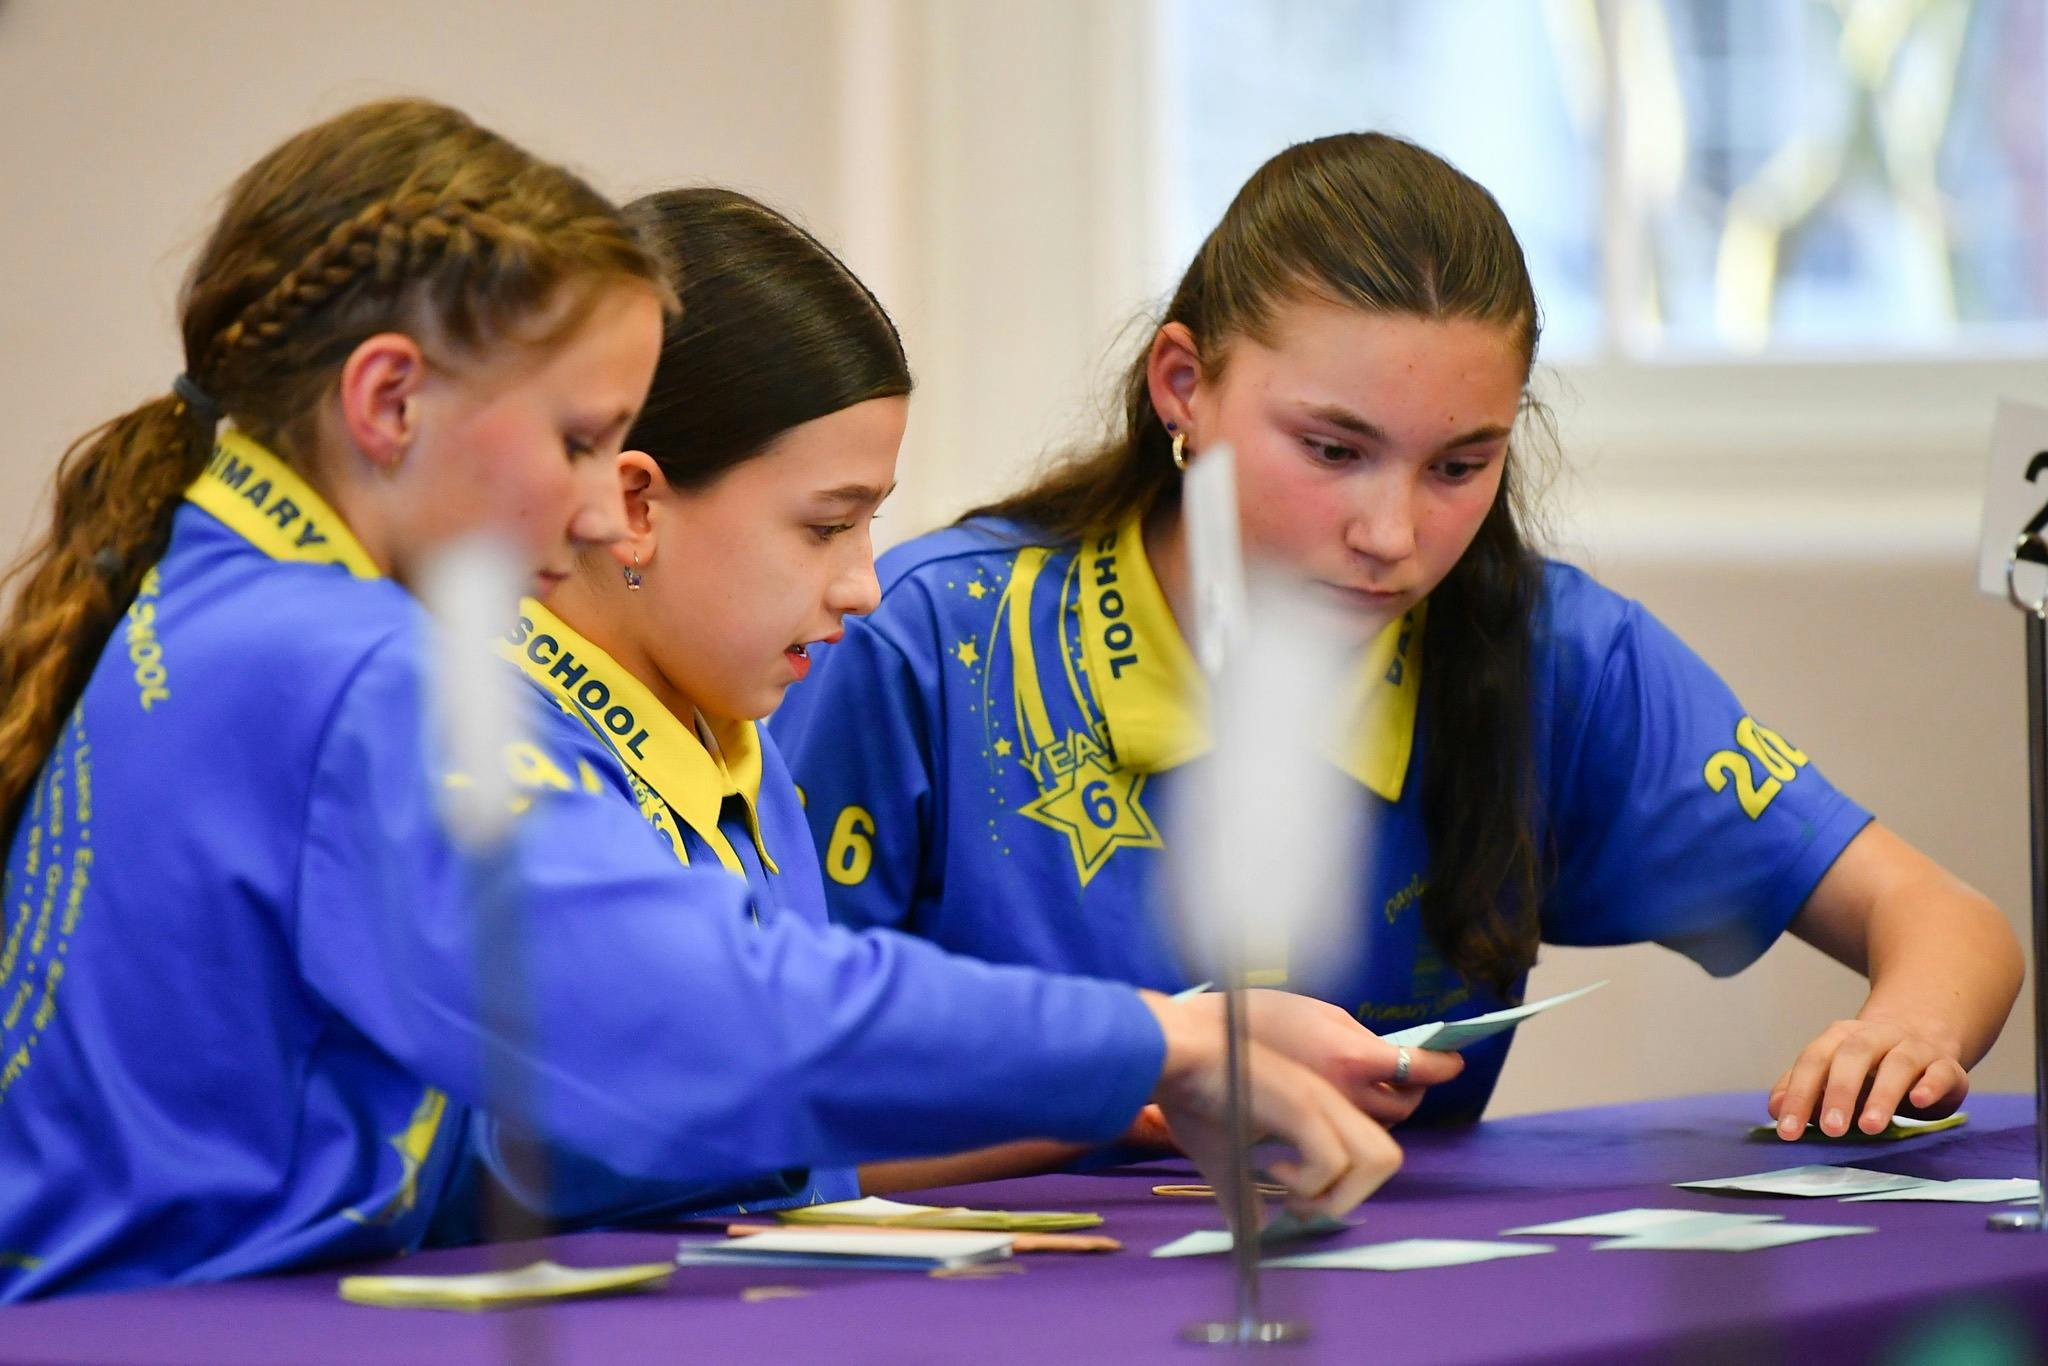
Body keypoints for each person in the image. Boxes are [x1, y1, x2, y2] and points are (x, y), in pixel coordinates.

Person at [0, 103, 1394, 1303]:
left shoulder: (223, 597)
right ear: (388, 402)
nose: (601, 497)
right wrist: (1153, 1040)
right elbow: (699, 1017)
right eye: (576, 438)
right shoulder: (350, 664)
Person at [773, 131, 2023, 1136]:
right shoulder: (923, 641)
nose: (1392, 533)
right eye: (1331, 450)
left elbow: (1946, 922)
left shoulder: (1550, 654)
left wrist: (1901, 1033)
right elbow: (776, 1092)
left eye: (1458, 464)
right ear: (1183, 389)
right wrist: (1157, 1085)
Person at [459, 187, 1439, 1222]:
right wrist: (1153, 1038)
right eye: (824, 525)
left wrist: (1135, 1084)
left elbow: (810, 1135)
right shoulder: (496, 751)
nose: (862, 585)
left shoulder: (733, 750)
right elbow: (684, 1077)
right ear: (636, 503)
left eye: (868, 523)